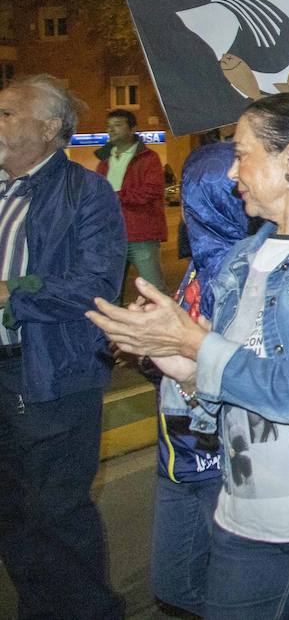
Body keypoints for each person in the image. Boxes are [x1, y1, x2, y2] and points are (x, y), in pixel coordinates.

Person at [88, 92, 289, 618]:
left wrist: (197, 344)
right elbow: (225, 394)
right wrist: (184, 368)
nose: (232, 172)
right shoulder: (244, 258)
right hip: (243, 521)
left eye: (242, 154)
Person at [0, 75, 126, 620]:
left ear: (50, 127)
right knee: (12, 516)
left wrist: (14, 294)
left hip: (53, 376)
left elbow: (97, 281)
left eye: (6, 113)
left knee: (56, 516)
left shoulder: (85, 190)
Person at [147, 139, 247, 616]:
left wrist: (190, 374)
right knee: (175, 583)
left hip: (226, 457)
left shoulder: (250, 271)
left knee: (239, 594)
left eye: (193, 198)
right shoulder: (204, 262)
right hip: (178, 450)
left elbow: (253, 377)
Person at [97, 107, 169, 293]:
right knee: (110, 290)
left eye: (118, 125)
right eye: (109, 126)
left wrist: (115, 196)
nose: (111, 130)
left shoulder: (148, 158)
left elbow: (150, 191)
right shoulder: (104, 160)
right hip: (112, 237)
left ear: (132, 129)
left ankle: (165, 321)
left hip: (141, 236)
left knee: (153, 289)